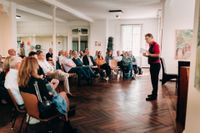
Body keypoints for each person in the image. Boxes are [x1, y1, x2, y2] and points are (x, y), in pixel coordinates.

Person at [18, 57, 76, 132]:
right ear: (34, 66)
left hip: (31, 110)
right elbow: (48, 97)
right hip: (43, 110)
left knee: (62, 97)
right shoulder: (38, 81)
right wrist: (53, 89)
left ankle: (65, 114)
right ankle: (67, 123)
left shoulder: (21, 82)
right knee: (63, 94)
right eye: (37, 64)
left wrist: (49, 90)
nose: (38, 66)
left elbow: (38, 94)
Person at [143, 33, 161, 101]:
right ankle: (153, 93)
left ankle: (154, 96)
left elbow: (157, 55)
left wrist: (149, 54)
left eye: (147, 39)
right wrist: (146, 55)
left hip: (156, 65)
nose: (146, 40)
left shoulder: (156, 45)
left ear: (151, 38)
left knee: (155, 81)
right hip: (152, 65)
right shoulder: (150, 45)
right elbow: (151, 55)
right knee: (153, 80)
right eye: (145, 39)